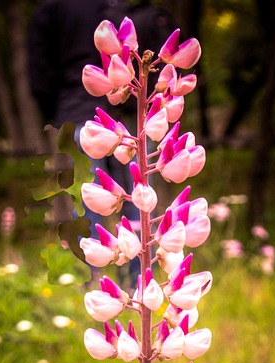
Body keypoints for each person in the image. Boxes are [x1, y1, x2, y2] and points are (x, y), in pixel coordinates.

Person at [28, 0, 176, 288]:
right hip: (128, 118)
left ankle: (95, 283)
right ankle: (138, 283)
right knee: (137, 199)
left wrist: (55, 109)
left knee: (87, 205)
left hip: (76, 114)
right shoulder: (118, 6)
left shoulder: (53, 8)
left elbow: (40, 74)